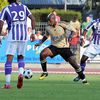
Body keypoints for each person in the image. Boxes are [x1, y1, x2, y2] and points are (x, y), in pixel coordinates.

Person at [34, 13, 88, 84]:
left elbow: (74, 30)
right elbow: (46, 36)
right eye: (48, 21)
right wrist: (40, 43)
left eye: (49, 21)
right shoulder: (48, 27)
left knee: (74, 64)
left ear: (54, 20)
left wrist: (70, 37)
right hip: (54, 47)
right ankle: (45, 72)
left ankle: (83, 78)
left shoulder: (62, 24)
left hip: (64, 48)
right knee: (42, 54)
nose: (48, 22)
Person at [0, 0, 35, 89]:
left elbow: (0, 24)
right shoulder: (24, 7)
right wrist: (33, 33)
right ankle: (20, 74)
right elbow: (33, 19)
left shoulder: (6, 8)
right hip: (24, 36)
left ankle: (7, 84)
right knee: (21, 57)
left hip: (13, 36)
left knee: (9, 59)